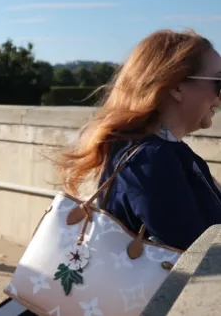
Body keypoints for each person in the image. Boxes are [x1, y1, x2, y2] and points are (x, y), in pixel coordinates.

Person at [59, 29, 221, 251]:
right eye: (218, 82)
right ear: (177, 87)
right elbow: (198, 253)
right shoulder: (152, 160)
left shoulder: (145, 150)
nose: (219, 96)